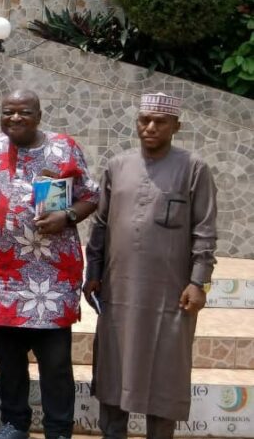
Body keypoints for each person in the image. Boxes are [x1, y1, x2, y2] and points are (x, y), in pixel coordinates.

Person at [0, 89, 99, 439]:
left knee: (55, 363)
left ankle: (58, 429)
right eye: (8, 112)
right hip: (4, 277)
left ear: (39, 116)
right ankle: (14, 424)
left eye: (23, 112)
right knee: (8, 360)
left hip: (53, 278)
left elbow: (91, 196)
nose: (15, 118)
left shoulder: (64, 148)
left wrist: (67, 216)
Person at [85, 93, 218, 439]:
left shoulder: (194, 168)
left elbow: (204, 230)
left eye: (160, 121)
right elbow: (100, 225)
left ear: (176, 126)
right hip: (118, 290)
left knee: (165, 372)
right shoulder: (117, 166)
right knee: (114, 367)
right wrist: (92, 272)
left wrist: (198, 282)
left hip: (170, 295)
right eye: (145, 120)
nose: (151, 127)